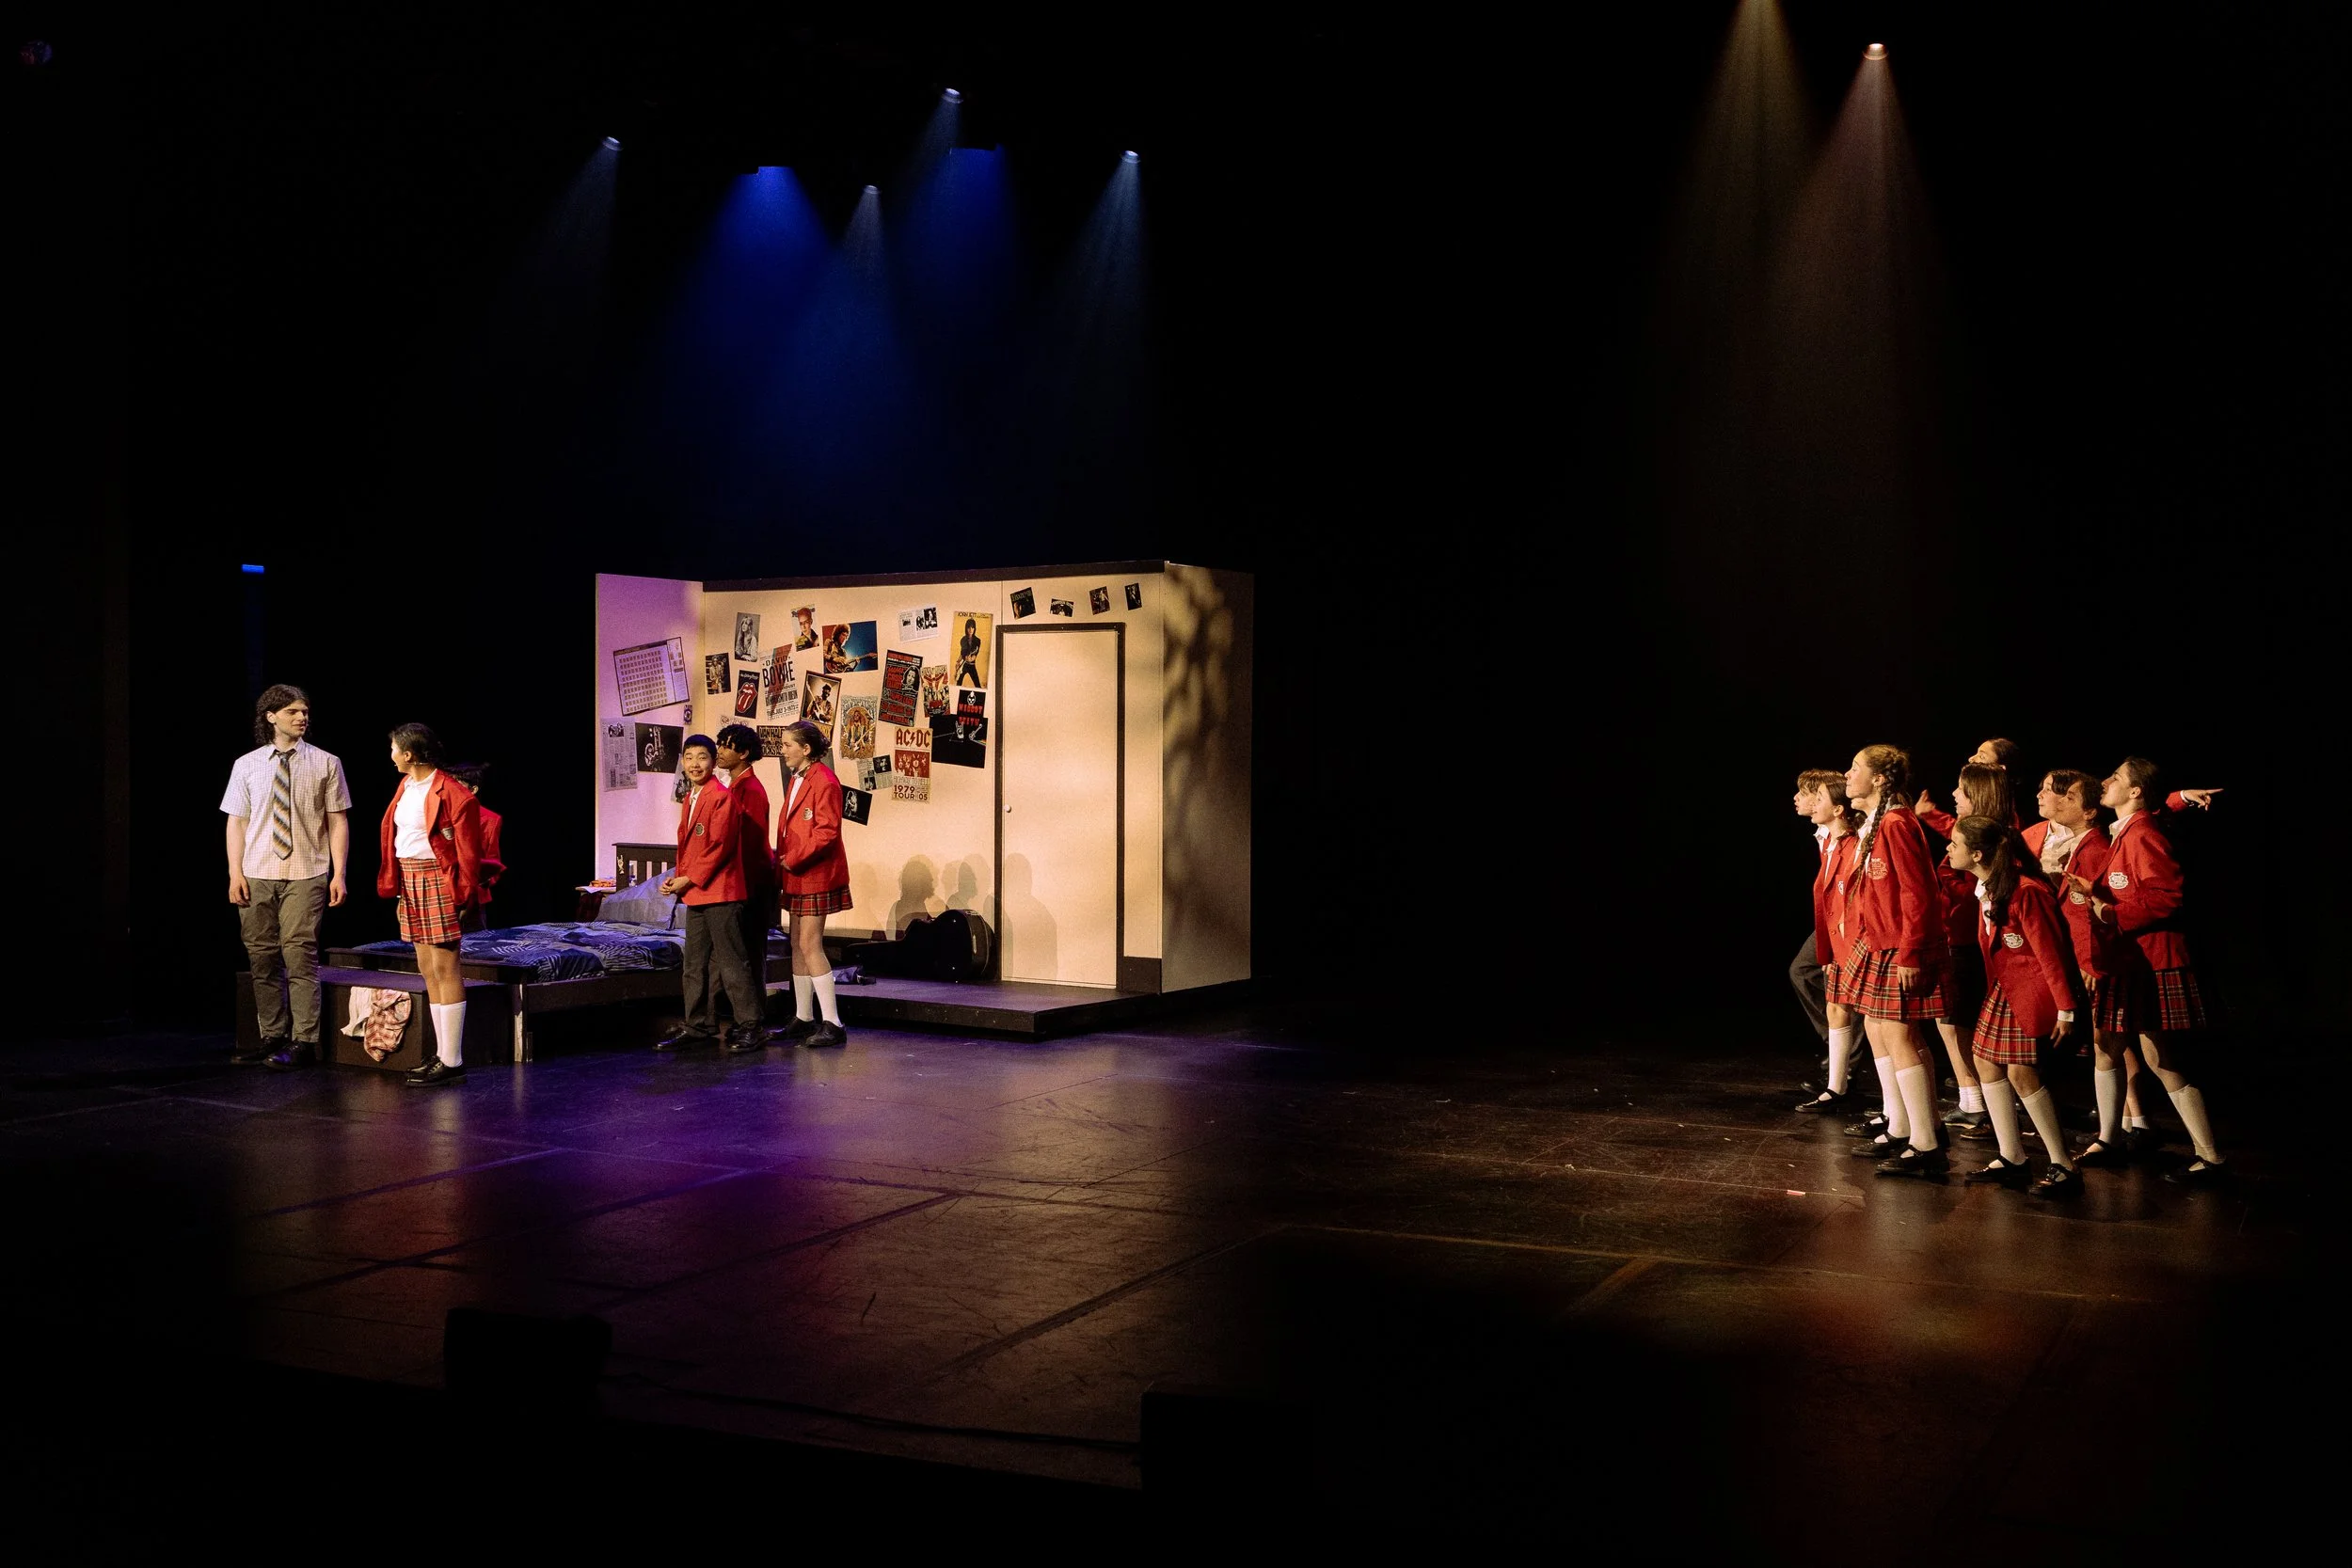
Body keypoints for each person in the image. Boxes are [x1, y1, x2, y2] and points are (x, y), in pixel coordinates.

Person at [2077, 757, 2228, 1183]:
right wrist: (2180, 799)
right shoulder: (2133, 828)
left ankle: (2208, 1156)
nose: (2104, 782)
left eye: (2116, 778)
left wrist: (2109, 912)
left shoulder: (2141, 835)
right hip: (2137, 962)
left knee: (2155, 1056)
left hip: (2153, 962)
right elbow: (2160, 811)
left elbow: (2167, 896)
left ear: (2135, 791)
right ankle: (2113, 1138)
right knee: (2122, 1048)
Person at [1947, 816, 2086, 1197]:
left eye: (1954, 844)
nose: (1948, 849)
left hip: (2032, 989)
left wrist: (2066, 1008)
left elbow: (2052, 952)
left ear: (1977, 853)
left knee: (2022, 1074)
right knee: (1985, 1060)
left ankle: (2063, 1164)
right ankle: (2012, 1157)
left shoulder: (2026, 892)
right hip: (2006, 988)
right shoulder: (1989, 887)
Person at [1837, 744, 1952, 1179]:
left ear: (1881, 779)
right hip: (1879, 942)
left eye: (1855, 769)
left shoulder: (1898, 823)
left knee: (1902, 1036)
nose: (1847, 775)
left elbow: (1918, 891)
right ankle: (1907, 1128)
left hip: (1901, 946)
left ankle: (1927, 1147)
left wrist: (1911, 950)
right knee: (1883, 1031)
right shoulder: (1877, 823)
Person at [222, 685, 351, 1069]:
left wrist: (338, 873)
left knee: (299, 954)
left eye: (305, 711)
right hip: (257, 870)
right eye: (293, 711)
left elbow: (338, 820)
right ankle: (271, 1035)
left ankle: (304, 1041)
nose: (302, 717)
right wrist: (234, 872)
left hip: (306, 871)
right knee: (261, 956)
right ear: (271, 716)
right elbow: (237, 822)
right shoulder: (247, 764)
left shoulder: (327, 762)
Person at [377, 723, 484, 1088]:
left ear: (409, 754)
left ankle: (452, 1061)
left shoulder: (454, 793)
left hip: (439, 879)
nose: (390, 756)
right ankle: (442, 1054)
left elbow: (470, 852)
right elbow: (399, 838)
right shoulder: (406, 785)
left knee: (445, 966)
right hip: (410, 879)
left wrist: (465, 896)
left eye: (394, 749)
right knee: (426, 966)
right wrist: (398, 892)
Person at [655, 736, 764, 1053]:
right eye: (689, 757)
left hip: (721, 891)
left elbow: (720, 847)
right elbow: (691, 848)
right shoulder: (692, 797)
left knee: (731, 963)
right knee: (694, 963)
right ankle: (698, 1024)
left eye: (702, 757)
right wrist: (678, 879)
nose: (694, 764)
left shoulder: (721, 797)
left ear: (713, 761)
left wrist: (688, 878)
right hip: (697, 892)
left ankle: (750, 1025)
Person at [773, 720, 851, 1048]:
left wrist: (796, 857)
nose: (783, 750)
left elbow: (827, 831)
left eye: (788, 744)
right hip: (796, 875)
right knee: (795, 944)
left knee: (810, 944)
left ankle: (833, 1021)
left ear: (806, 749)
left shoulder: (825, 781)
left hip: (815, 872)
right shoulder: (797, 779)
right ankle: (804, 1016)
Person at [1790, 770, 1865, 1114]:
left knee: (1863, 1008)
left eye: (1812, 795)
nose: (1800, 799)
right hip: (1832, 925)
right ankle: (1838, 1077)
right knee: (1825, 992)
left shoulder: (1852, 841)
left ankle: (1848, 1064)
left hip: (1851, 928)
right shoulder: (1829, 838)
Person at [714, 723, 778, 1023]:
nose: (721, 751)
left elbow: (751, 844)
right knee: (745, 952)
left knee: (751, 954)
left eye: (727, 746)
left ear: (744, 753)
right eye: (720, 744)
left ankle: (754, 1020)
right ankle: (748, 1017)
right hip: (744, 882)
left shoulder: (749, 789)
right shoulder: (735, 787)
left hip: (753, 883)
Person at [448, 765, 505, 935]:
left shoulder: (490, 819)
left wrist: (471, 897)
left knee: (474, 947)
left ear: (473, 789)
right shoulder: (440, 813)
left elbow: (493, 862)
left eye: (458, 786)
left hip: (472, 896)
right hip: (440, 889)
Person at [954, 618, 983, 687]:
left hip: (972, 666)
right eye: (969, 627)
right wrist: (958, 662)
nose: (971, 630)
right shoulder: (963, 639)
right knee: (958, 683)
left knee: (978, 685)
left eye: (972, 628)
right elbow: (962, 652)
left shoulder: (977, 640)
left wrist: (972, 658)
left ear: (974, 629)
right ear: (966, 628)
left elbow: (976, 653)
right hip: (964, 665)